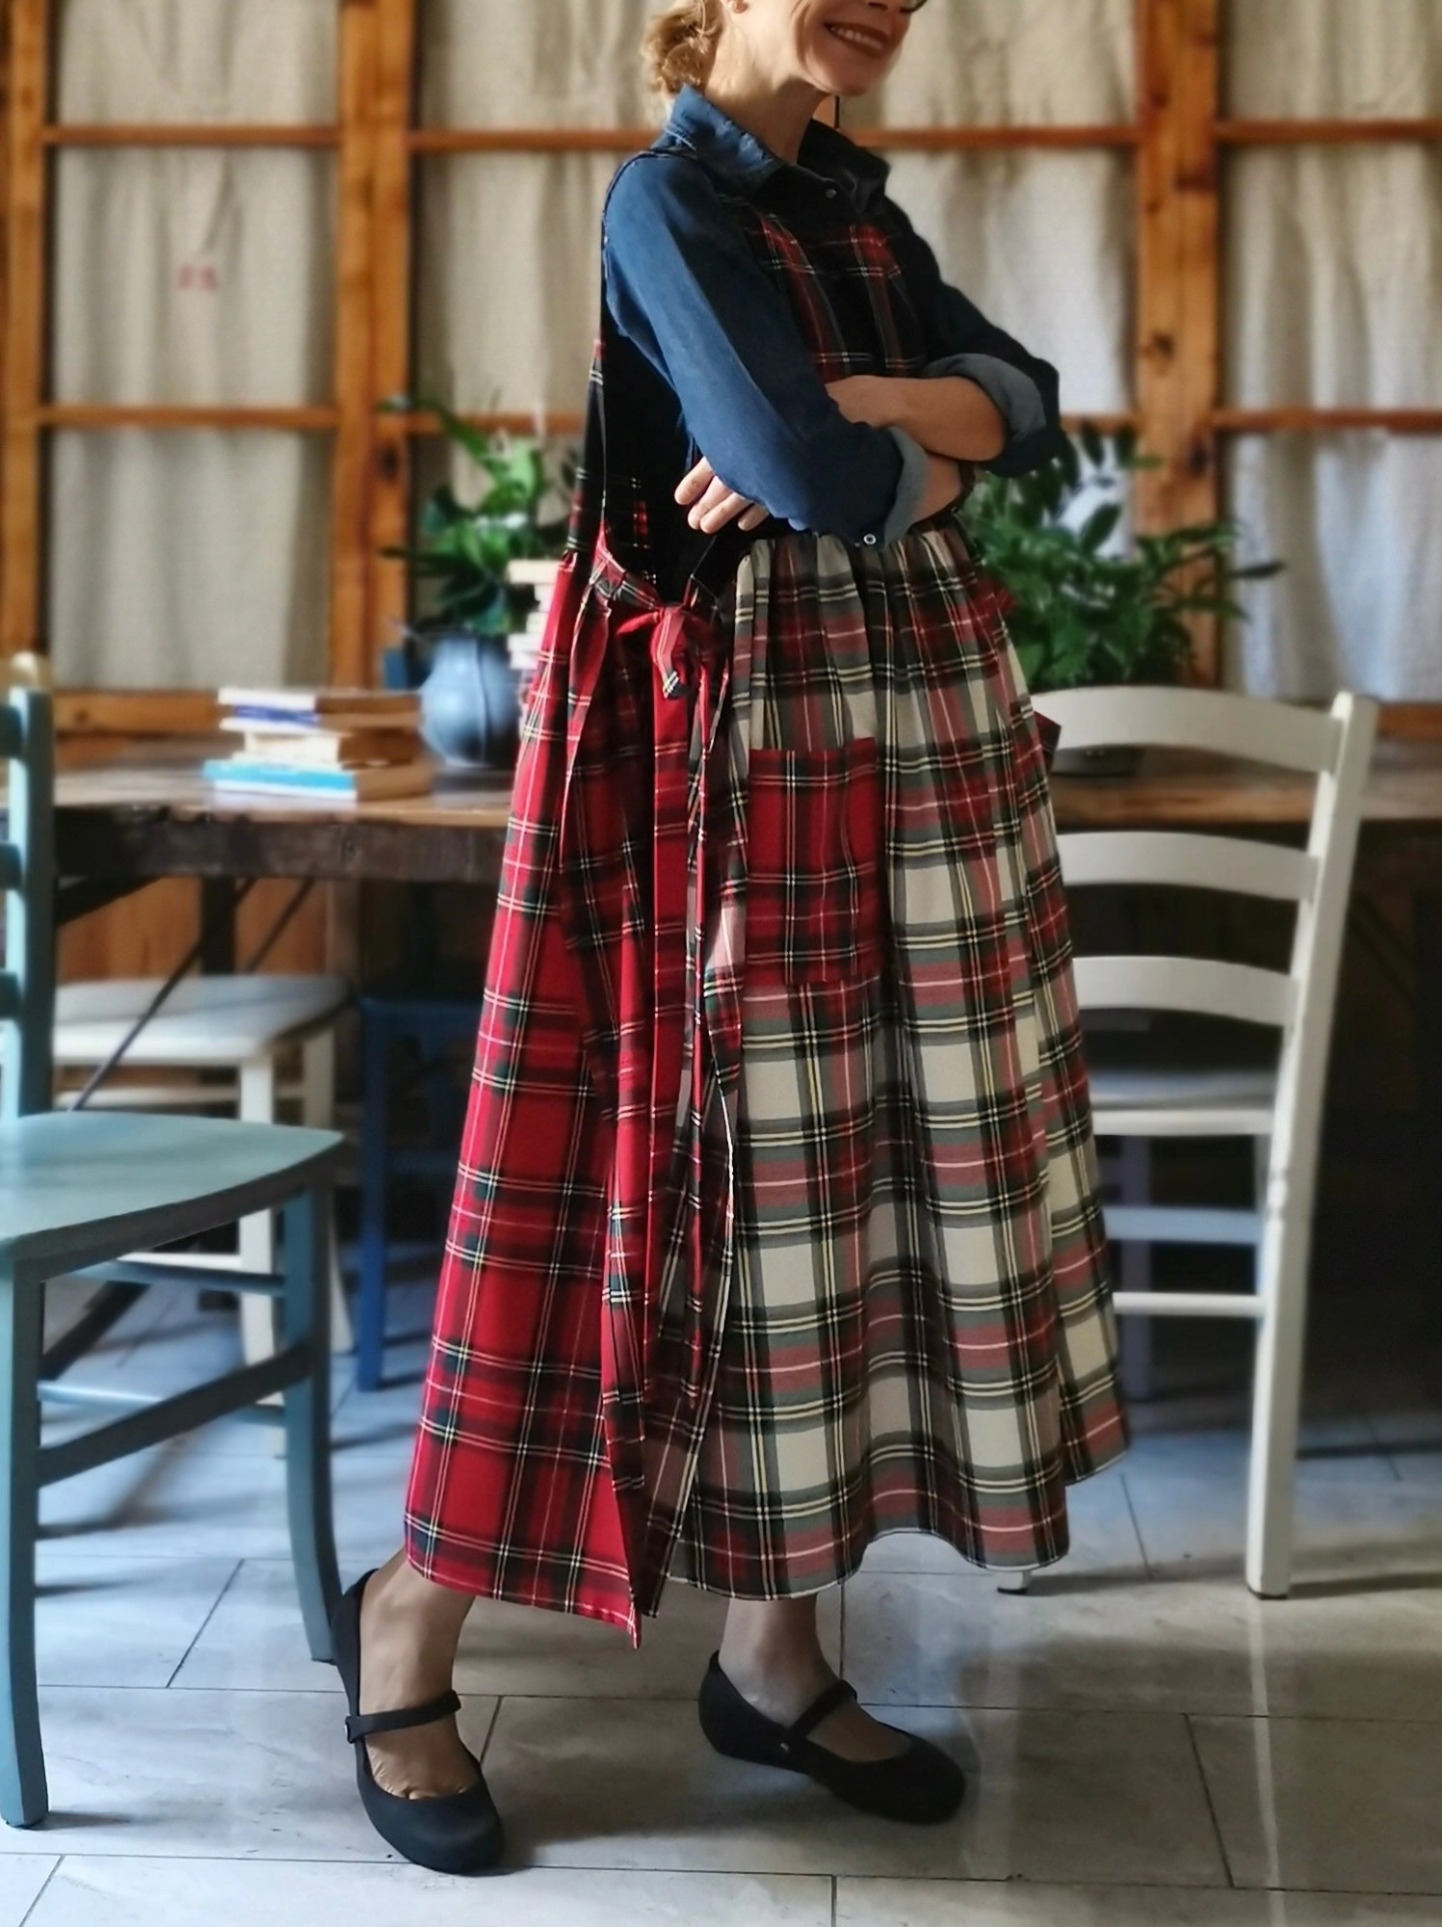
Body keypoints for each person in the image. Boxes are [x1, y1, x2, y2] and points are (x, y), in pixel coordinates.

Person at [331, 0, 1127, 1875]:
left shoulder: (849, 203)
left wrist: (889, 409)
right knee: (631, 1190)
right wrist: (902, 430)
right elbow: (809, 471)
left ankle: (771, 1657)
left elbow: (1028, 397)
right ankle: (407, 1631)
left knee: (831, 1197)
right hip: (726, 739)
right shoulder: (667, 199)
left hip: (900, 736)